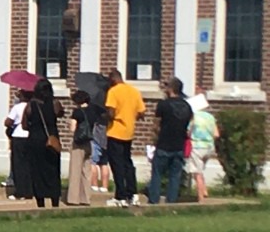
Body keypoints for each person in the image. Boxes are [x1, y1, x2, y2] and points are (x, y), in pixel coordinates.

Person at [104, 68, 146, 207]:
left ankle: (120, 196)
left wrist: (105, 116)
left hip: (115, 132)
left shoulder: (113, 91)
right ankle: (133, 194)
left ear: (113, 79)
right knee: (128, 163)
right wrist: (130, 116)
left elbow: (111, 113)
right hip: (129, 133)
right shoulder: (134, 91)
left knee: (117, 165)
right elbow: (141, 113)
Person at [148, 77, 193, 205]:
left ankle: (154, 200)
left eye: (166, 86)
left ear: (171, 89)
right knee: (175, 176)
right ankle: (171, 201)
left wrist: (155, 138)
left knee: (157, 173)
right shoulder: (187, 106)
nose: (165, 89)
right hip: (179, 145)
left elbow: (156, 125)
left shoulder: (163, 104)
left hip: (164, 144)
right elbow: (190, 127)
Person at [23, 78, 63, 208]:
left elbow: (24, 125)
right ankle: (55, 201)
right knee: (53, 171)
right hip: (51, 139)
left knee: (37, 171)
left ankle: (40, 203)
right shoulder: (55, 103)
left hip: (35, 140)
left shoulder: (31, 105)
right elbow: (60, 114)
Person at [66, 91, 95, 206]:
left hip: (78, 143)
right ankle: (86, 198)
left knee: (75, 171)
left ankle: (73, 198)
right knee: (86, 171)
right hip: (88, 143)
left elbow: (72, 129)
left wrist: (69, 123)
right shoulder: (92, 111)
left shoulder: (77, 112)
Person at [188, 100, 220, 202]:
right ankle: (204, 190)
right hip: (209, 147)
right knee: (200, 170)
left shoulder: (193, 117)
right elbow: (216, 134)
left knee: (197, 172)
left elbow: (188, 132)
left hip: (197, 146)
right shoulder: (210, 117)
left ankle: (200, 198)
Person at [4, 90, 33, 200]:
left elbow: (8, 122)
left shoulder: (17, 107)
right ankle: (29, 191)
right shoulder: (33, 106)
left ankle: (20, 191)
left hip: (18, 136)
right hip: (30, 136)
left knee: (18, 165)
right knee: (29, 164)